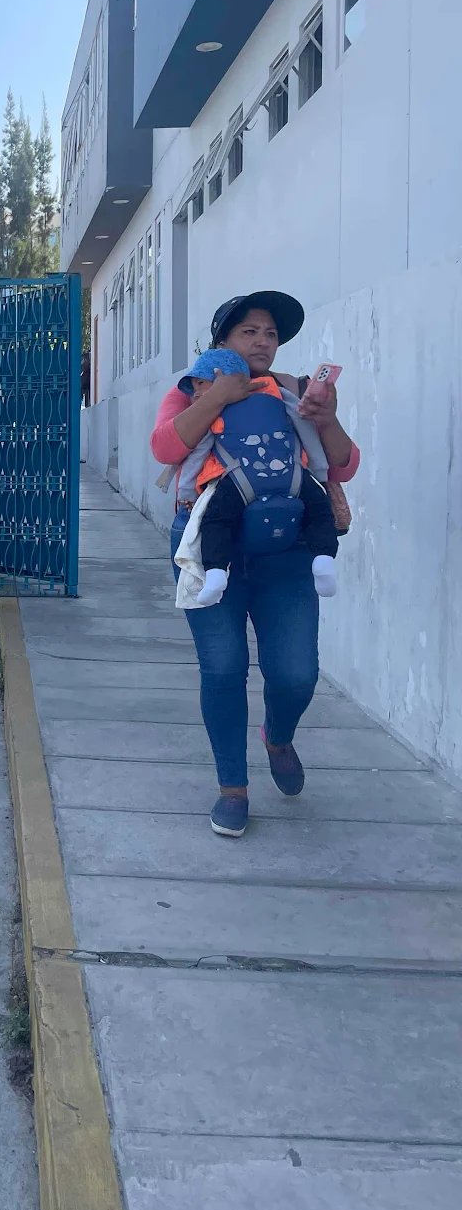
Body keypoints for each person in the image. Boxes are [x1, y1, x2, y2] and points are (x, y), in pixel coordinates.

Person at [151, 294, 359, 838]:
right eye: (249, 331)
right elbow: (165, 448)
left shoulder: (292, 392)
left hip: (286, 550)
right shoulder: (193, 388)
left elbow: (343, 463)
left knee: (296, 673)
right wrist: (220, 395)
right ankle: (232, 789)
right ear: (222, 341)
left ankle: (278, 736)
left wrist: (327, 418)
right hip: (210, 547)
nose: (263, 341)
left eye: (270, 333)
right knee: (223, 668)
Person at [176, 348, 340, 605]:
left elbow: (199, 452)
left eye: (201, 384)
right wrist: (318, 471)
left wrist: (186, 490)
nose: (196, 393)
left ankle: (216, 574)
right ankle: (324, 560)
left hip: (238, 481)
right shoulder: (278, 393)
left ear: (223, 379)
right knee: (320, 512)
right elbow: (304, 427)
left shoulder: (215, 411)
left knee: (216, 522)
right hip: (292, 475)